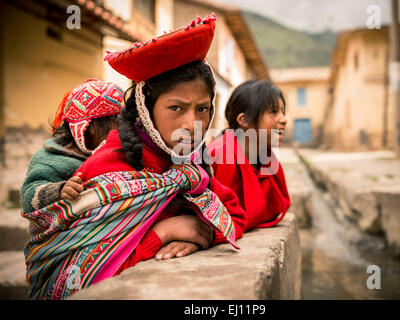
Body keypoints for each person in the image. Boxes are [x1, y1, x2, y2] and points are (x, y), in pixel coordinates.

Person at [23, 14, 246, 300]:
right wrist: (163, 234)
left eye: (203, 109)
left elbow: (235, 214)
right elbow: (74, 275)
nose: (193, 124)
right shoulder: (106, 167)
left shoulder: (188, 168)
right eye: (176, 108)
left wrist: (201, 235)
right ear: (146, 108)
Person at [20, 79, 124, 213]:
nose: (119, 136)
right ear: (88, 128)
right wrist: (59, 190)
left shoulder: (111, 153)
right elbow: (28, 197)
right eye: (115, 129)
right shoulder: (49, 160)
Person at [207, 79, 291, 231]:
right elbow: (212, 221)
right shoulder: (219, 156)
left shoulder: (265, 157)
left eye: (282, 111)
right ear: (244, 120)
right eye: (273, 112)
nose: (284, 119)